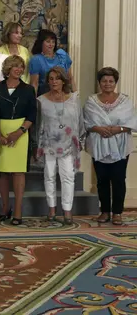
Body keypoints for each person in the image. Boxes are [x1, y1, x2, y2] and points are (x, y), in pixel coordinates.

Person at [84, 67, 136, 226]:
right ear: (99, 83)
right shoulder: (91, 101)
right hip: (98, 144)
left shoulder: (126, 101)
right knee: (102, 179)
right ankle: (105, 211)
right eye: (104, 81)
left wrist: (117, 129)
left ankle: (117, 213)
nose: (107, 84)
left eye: (111, 81)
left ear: (115, 83)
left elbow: (132, 122)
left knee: (119, 179)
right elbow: (86, 122)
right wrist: (98, 128)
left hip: (120, 145)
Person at [0, 55, 37, 225]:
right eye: (15, 66)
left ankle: (17, 211)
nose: (18, 69)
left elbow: (32, 114)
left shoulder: (28, 89)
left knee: (18, 172)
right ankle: (5, 208)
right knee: (2, 173)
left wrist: (19, 132)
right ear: (8, 68)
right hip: (0, 132)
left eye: (21, 67)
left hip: (21, 134)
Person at [37, 67, 85, 225]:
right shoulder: (41, 100)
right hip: (49, 144)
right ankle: (51, 209)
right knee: (49, 176)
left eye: (57, 78)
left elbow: (80, 122)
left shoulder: (73, 99)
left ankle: (67, 211)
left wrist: (80, 142)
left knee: (68, 178)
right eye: (50, 79)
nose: (53, 82)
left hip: (69, 145)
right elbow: (39, 125)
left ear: (63, 81)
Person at [29, 29, 75, 96]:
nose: (51, 44)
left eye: (53, 42)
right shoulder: (36, 59)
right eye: (48, 42)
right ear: (41, 43)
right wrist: (33, 103)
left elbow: (70, 78)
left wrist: (76, 95)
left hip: (64, 96)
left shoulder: (62, 55)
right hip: (45, 97)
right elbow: (34, 84)